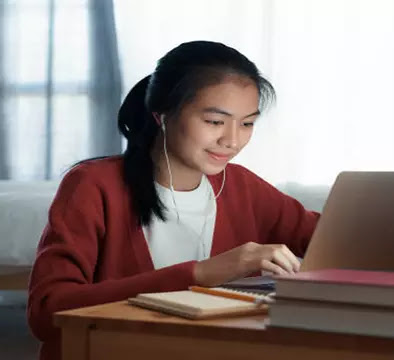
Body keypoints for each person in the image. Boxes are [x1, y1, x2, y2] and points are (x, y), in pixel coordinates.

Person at [27, 41, 320, 360]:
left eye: (247, 123)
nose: (233, 141)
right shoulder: (93, 185)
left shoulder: (241, 186)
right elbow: (47, 311)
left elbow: (327, 237)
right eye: (214, 122)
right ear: (162, 115)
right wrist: (200, 274)